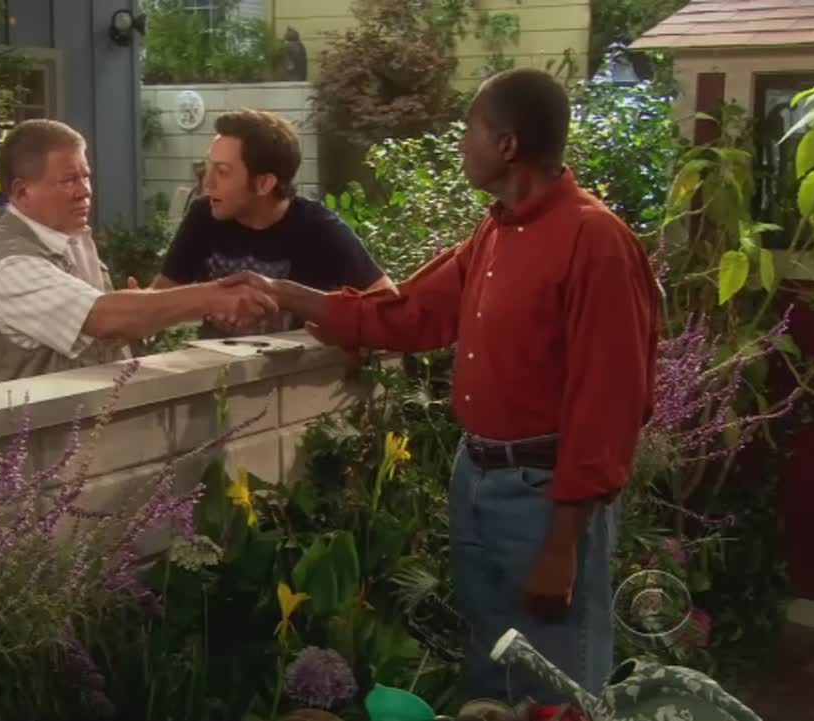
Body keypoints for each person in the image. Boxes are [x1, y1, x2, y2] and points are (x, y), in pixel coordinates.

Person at [221, 70, 661, 710]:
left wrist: (563, 546)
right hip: (477, 477)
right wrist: (288, 294)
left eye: (470, 129)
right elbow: (411, 314)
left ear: (506, 145)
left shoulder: (596, 241)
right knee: (491, 674)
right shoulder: (496, 231)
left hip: (545, 497)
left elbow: (609, 403)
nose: (461, 143)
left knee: (556, 688)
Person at [0, 119, 277, 386]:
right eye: (69, 180)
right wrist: (211, 297)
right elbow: (101, 317)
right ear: (21, 191)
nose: (84, 191)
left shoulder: (71, 239)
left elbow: (103, 332)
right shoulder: (12, 268)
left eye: (86, 176)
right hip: (37, 442)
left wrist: (140, 311)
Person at [147, 109, 393, 337]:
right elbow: (159, 297)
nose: (207, 183)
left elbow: (388, 301)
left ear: (264, 184)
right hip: (213, 366)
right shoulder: (203, 215)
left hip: (298, 367)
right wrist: (139, 303)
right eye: (208, 168)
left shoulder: (318, 228)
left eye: (222, 171)